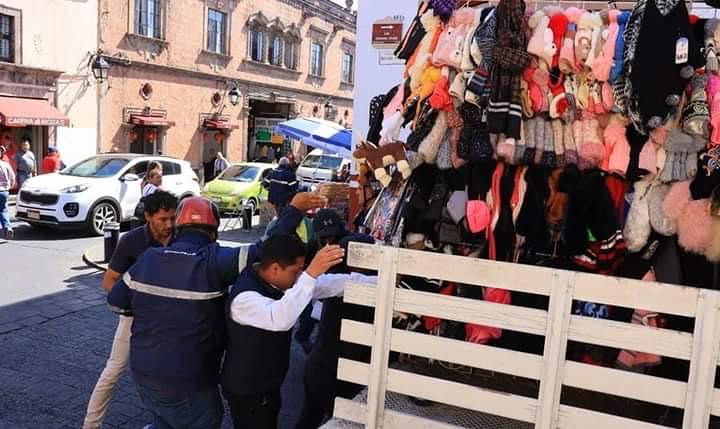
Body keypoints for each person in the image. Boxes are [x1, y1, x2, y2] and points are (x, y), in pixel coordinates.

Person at [105, 192, 326, 429]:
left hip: (143, 374)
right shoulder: (215, 260)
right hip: (190, 380)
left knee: (165, 421)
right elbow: (264, 250)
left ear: (178, 227)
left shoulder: (147, 258)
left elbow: (116, 301)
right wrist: (293, 210)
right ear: (214, 232)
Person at [221, 234, 376, 429]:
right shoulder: (245, 298)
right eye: (296, 271)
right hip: (248, 392)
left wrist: (382, 282)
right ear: (275, 268)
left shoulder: (279, 280)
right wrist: (310, 274)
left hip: (266, 386)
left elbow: (328, 284)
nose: (299, 277)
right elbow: (279, 318)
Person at [83, 191, 178, 429]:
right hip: (136, 318)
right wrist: (134, 307)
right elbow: (109, 281)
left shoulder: (182, 237)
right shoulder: (131, 241)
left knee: (170, 373)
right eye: (163, 219)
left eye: (172, 219)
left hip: (173, 319)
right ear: (148, 216)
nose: (169, 225)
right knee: (113, 370)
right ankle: (91, 425)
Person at [295, 236, 376, 429]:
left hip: (317, 366)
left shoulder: (336, 282)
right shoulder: (357, 289)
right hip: (338, 376)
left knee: (308, 419)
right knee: (342, 423)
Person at [0, 145, 16, 240]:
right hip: (4, 191)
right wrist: (10, 186)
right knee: (3, 210)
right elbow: (12, 177)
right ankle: (7, 227)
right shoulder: (6, 165)